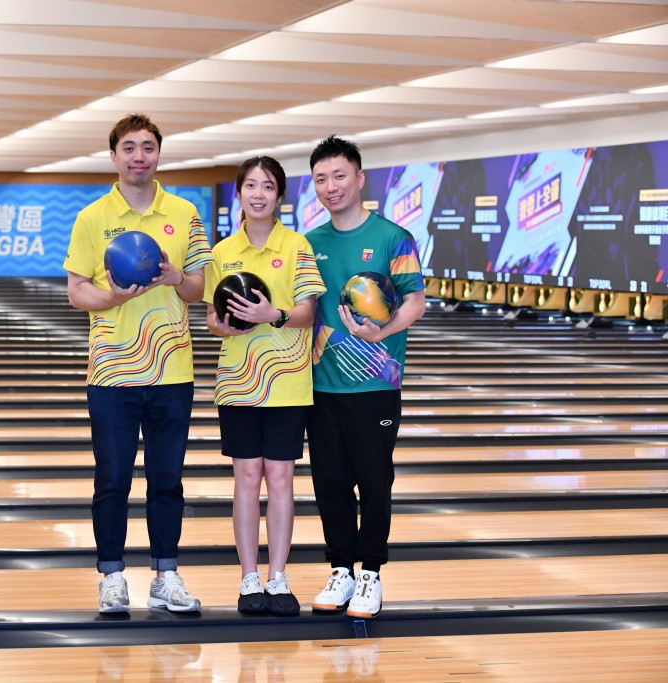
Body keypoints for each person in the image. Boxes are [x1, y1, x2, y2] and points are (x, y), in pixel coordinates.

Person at [63, 113, 212, 613]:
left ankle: (166, 575)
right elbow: (76, 291)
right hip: (111, 371)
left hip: (172, 370)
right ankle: (111, 576)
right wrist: (113, 296)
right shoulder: (92, 217)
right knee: (112, 479)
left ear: (158, 154)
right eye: (129, 148)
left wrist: (174, 278)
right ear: (113, 155)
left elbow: (200, 287)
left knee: (167, 479)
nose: (139, 156)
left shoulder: (185, 213)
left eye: (147, 147)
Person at [304, 135, 426, 619]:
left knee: (374, 480)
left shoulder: (394, 238)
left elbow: (415, 301)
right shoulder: (310, 244)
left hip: (376, 385)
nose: (330, 187)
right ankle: (341, 570)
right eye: (320, 179)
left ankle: (370, 572)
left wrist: (382, 334)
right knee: (329, 481)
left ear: (359, 178)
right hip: (320, 384)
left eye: (339, 176)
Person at [204, 156, 325, 616]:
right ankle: (248, 577)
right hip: (237, 382)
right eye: (250, 185)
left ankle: (278, 577)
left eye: (268, 186)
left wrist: (270, 314)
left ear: (279, 196)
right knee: (246, 478)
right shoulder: (221, 253)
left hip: (289, 384)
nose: (258, 193)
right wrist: (227, 327)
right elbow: (214, 319)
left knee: (280, 479)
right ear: (239, 193)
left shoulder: (296, 246)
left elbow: (308, 313)